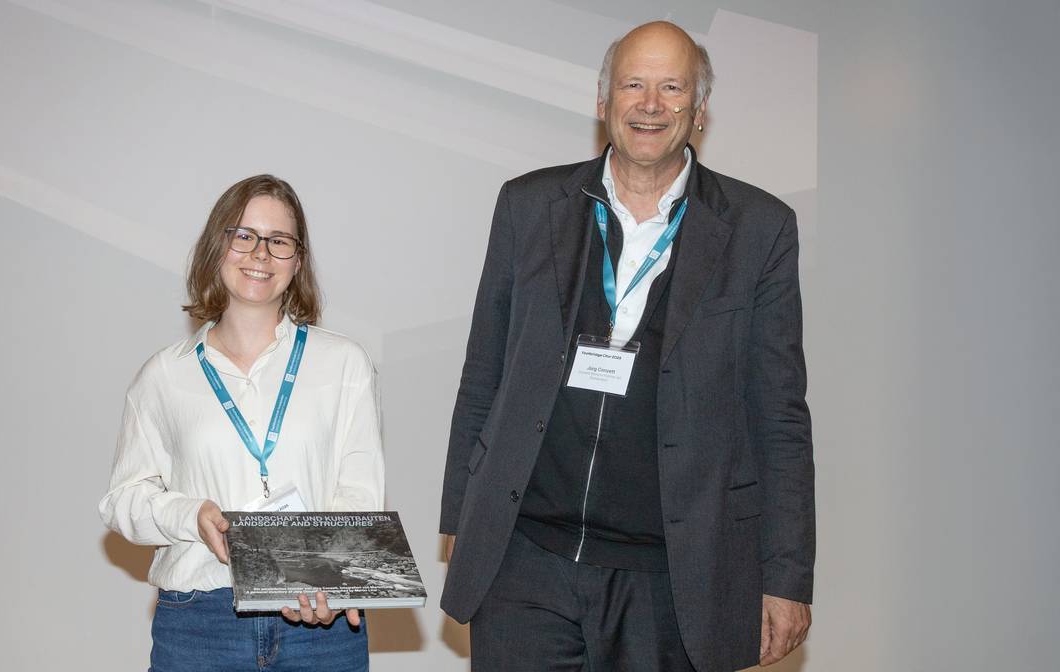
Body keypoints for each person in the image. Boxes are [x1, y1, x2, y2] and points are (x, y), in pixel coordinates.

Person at [439, 21, 814, 672]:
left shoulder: (760, 230)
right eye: (634, 84)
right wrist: (461, 518)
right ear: (603, 100)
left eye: (672, 88)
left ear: (699, 112)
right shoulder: (529, 206)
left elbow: (780, 416)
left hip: (673, 576)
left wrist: (785, 574)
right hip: (526, 562)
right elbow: (485, 370)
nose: (650, 104)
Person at [100, 174, 384, 671]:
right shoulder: (164, 375)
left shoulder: (345, 363)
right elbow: (122, 500)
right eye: (244, 236)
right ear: (218, 246)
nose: (260, 254)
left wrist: (331, 580)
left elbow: (358, 494)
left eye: (279, 241)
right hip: (201, 624)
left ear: (297, 261)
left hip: (319, 626)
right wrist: (189, 515)